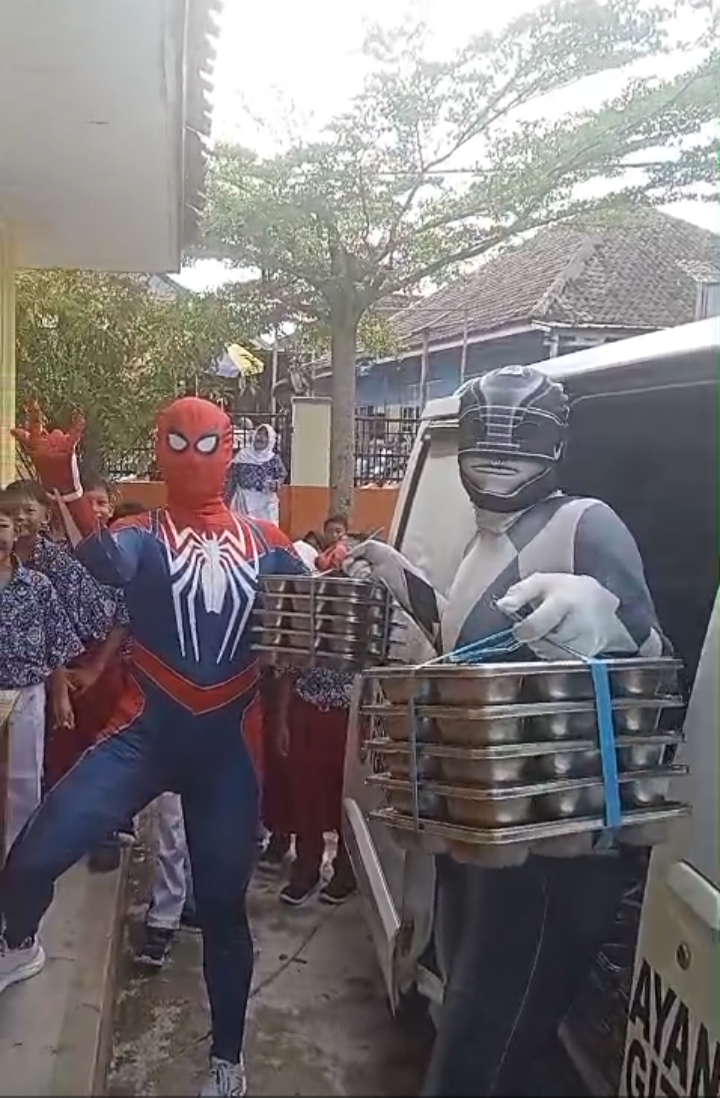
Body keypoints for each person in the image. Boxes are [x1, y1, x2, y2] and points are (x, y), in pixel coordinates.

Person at [345, 365, 666, 1097]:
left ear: (554, 447)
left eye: (515, 444)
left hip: (554, 845)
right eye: (483, 442)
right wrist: (395, 572)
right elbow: (462, 642)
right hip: (483, 825)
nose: (496, 460)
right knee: (468, 1010)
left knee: (477, 1053)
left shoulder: (585, 523)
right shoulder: (486, 538)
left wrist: (607, 622)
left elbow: (652, 657)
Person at [3, 397, 304, 1098]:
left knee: (223, 911)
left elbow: (320, 612)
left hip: (225, 752)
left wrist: (371, 580)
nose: (194, 456)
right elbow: (106, 562)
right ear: (160, 450)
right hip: (143, 736)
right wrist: (65, 483)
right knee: (31, 859)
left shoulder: (270, 544)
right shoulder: (144, 532)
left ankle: (227, 1062)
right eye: (179, 442)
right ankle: (19, 942)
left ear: (230, 449)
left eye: (207, 443)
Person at [0, 491, 81, 856]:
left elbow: (56, 644)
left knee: (24, 779)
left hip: (27, 692)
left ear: (15, 532)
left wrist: (61, 697)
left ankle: (19, 860)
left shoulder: (37, 585)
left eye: (2, 526)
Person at [226, 424, 287, 523]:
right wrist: (227, 500)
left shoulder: (273, 459)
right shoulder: (242, 456)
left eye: (265, 435)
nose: (260, 437)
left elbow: (281, 475)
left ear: (270, 440)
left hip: (265, 504)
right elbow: (231, 478)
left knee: (265, 530)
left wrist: (276, 484)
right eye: (259, 433)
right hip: (243, 502)